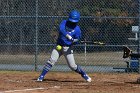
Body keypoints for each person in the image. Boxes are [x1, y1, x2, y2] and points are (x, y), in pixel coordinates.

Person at [37, 10, 92, 82]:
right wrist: (68, 36)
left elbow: (77, 40)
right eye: (71, 20)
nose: (72, 22)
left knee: (73, 66)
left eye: (74, 21)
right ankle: (41, 76)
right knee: (51, 60)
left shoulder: (77, 29)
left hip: (68, 48)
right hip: (58, 47)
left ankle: (83, 74)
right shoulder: (64, 22)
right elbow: (61, 30)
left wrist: (73, 41)